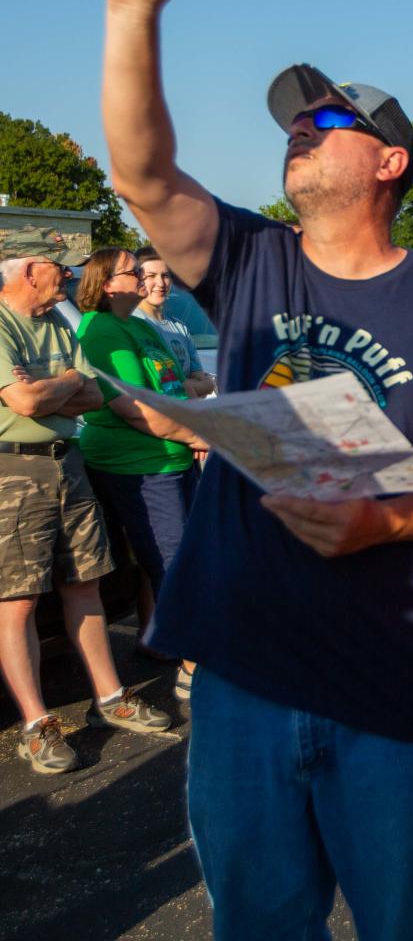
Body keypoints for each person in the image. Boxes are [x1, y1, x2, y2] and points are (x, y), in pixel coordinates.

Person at [99, 0, 413, 940]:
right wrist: (131, 11)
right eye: (295, 123)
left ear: (389, 160)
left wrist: (385, 519)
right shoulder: (247, 259)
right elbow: (143, 173)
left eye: (327, 122)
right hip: (244, 685)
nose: (301, 130)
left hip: (393, 694)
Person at [0, 228, 171, 775]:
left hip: (66, 461)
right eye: (58, 268)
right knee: (20, 600)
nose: (68, 276)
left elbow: (93, 394)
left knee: (86, 583)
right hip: (15, 470)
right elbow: (22, 399)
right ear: (27, 271)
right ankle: (36, 723)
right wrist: (65, 385)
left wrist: (62, 381)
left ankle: (111, 697)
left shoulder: (56, 322)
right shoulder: (3, 324)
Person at [75, 248, 206, 700]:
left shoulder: (139, 325)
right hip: (139, 465)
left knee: (186, 560)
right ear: (109, 284)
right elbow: (135, 406)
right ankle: (193, 670)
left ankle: (167, 643)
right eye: (134, 272)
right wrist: (198, 436)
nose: (147, 280)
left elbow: (178, 385)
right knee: (172, 566)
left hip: (173, 458)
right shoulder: (103, 329)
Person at [133, 246, 216, 398]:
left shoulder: (180, 327)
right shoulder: (132, 324)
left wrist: (196, 385)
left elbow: (201, 379)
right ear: (137, 280)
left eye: (165, 275)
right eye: (151, 276)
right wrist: (192, 385)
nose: (161, 283)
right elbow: (151, 387)